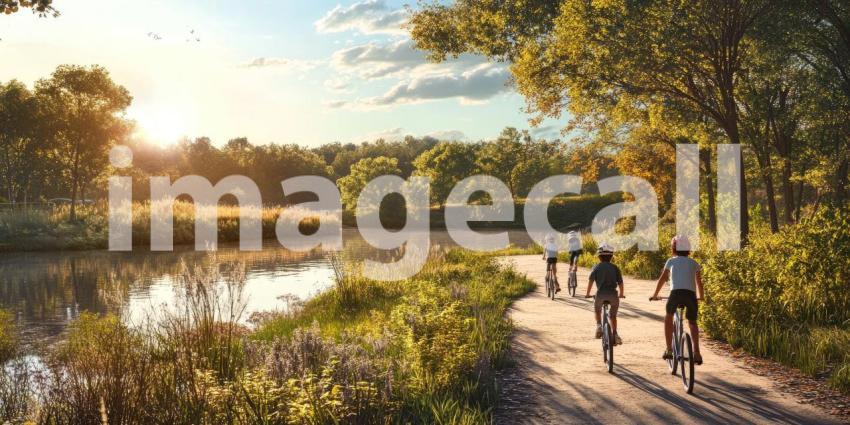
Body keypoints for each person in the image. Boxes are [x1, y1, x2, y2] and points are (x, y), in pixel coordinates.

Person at [649, 235, 705, 365]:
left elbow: (663, 278)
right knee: (692, 322)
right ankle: (697, 352)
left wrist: (655, 294)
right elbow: (699, 283)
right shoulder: (694, 263)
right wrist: (701, 296)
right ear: (688, 249)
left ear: (673, 248)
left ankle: (669, 349)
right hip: (691, 296)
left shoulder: (671, 261)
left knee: (668, 317)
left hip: (675, 294)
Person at [584, 243, 624, 345]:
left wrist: (588, 293)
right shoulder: (615, 267)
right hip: (613, 295)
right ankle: (615, 334)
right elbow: (620, 282)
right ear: (611, 256)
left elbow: (591, 280)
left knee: (597, 310)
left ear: (599, 256)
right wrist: (621, 294)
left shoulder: (596, 267)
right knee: (613, 315)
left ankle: (599, 326)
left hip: (600, 294)